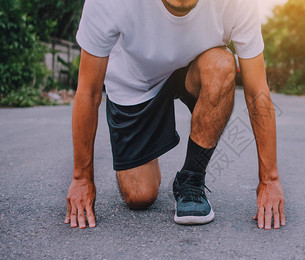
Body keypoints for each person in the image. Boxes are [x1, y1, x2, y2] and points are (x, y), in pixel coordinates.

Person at [65, 0, 285, 230]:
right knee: (140, 196)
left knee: (221, 64)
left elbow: (257, 92)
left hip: (194, 68)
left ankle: (191, 179)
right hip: (136, 82)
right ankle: (147, 155)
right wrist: (82, 178)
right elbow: (88, 92)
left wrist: (269, 180)